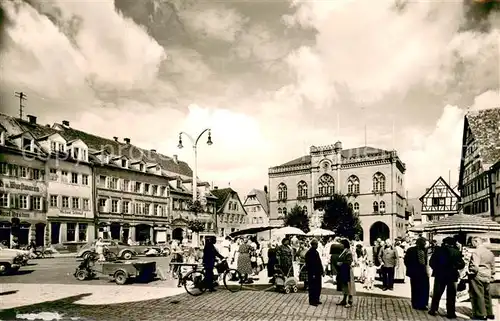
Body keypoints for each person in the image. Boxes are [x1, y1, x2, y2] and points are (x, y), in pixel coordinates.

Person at [428, 237, 465, 318]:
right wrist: (455, 267)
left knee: (437, 293)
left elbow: (431, 262)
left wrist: (437, 269)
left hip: (439, 275)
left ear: (445, 243)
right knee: (451, 294)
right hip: (452, 275)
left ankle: (433, 310)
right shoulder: (457, 252)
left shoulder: (438, 251)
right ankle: (450, 313)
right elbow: (462, 264)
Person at [469, 236, 495, 320]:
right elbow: (493, 267)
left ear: (476, 241)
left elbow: (475, 267)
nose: (472, 244)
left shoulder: (476, 252)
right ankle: (489, 313)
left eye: (473, 242)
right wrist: (491, 275)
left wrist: (469, 272)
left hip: (478, 275)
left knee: (478, 294)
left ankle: (480, 314)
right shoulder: (489, 252)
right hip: (487, 275)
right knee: (487, 295)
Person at [404, 237, 430, 311]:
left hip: (423, 272)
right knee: (415, 288)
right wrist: (411, 268)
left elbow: (426, 261)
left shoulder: (425, 250)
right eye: (423, 243)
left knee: (424, 288)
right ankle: (415, 304)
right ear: (419, 243)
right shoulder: (411, 250)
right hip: (414, 272)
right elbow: (406, 260)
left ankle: (423, 304)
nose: (424, 244)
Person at [336, 239, 355, 308]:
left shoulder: (348, 252)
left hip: (347, 271)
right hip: (343, 270)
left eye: (341, 244)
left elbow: (349, 262)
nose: (340, 245)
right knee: (344, 286)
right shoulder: (343, 251)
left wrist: (341, 263)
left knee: (349, 286)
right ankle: (344, 300)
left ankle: (350, 301)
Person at [305, 238, 324, 306]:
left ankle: (316, 299)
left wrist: (322, 270)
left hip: (317, 272)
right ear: (312, 245)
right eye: (316, 244)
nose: (317, 246)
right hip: (313, 272)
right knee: (312, 287)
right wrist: (312, 273)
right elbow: (309, 264)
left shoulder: (316, 252)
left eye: (317, 244)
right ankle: (312, 301)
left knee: (318, 286)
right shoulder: (309, 253)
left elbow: (319, 262)